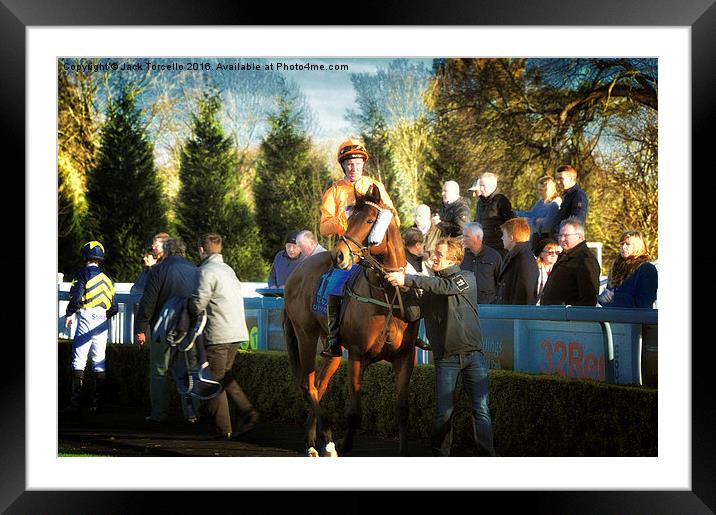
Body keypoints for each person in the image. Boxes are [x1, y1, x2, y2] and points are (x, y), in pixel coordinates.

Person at [385, 237, 495, 457]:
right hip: (445, 358)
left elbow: (445, 286)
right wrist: (403, 289)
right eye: (434, 253)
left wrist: (408, 278)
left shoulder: (467, 278)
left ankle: (488, 457)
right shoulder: (430, 287)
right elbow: (414, 313)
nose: (433, 257)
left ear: (452, 260)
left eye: (439, 255)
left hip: (473, 356)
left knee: (481, 411)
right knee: (444, 414)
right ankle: (439, 458)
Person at [319, 138, 398, 358]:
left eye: (357, 162)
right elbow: (324, 227)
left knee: (409, 276)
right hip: (352, 253)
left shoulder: (376, 187)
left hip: (379, 250)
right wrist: (342, 220)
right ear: (343, 165)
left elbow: (393, 215)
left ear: (364, 163)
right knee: (334, 286)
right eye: (349, 163)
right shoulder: (334, 192)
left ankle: (411, 330)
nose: (354, 167)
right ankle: (334, 337)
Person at [189, 233, 259, 440]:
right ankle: (247, 412)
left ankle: (223, 429)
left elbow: (197, 304)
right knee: (225, 376)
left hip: (218, 334)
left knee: (212, 381)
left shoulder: (206, 271)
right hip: (236, 332)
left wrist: (187, 305)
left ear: (202, 249)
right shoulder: (228, 270)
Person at [135, 237, 200, 424]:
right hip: (188, 329)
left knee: (159, 372)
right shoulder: (196, 270)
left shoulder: (157, 270)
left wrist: (140, 329)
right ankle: (192, 414)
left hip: (161, 330)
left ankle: (159, 414)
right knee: (189, 371)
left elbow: (148, 303)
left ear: (168, 251)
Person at [62, 241, 119, 414]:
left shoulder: (82, 273)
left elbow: (77, 297)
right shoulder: (108, 277)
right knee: (99, 360)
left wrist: (70, 313)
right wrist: (102, 316)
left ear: (85, 256)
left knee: (79, 359)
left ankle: (75, 404)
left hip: (86, 316)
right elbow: (114, 307)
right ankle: (98, 404)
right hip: (102, 318)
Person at [540, 217, 601, 306]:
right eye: (560, 235)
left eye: (566, 235)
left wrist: (573, 316)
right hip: (553, 315)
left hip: (568, 317)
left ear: (580, 236)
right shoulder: (564, 256)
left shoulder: (585, 261)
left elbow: (588, 297)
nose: (561, 239)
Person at [598, 230, 658, 308]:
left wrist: (615, 298)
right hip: (615, 318)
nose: (623, 247)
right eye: (622, 244)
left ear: (637, 246)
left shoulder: (646, 269)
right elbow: (610, 294)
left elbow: (644, 302)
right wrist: (604, 300)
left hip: (636, 319)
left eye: (628, 244)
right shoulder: (615, 266)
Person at [494, 218, 539, 305]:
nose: (502, 238)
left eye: (504, 235)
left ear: (511, 238)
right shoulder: (515, 256)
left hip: (514, 315)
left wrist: (516, 316)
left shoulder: (524, 260)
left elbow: (525, 295)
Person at [514, 176, 562, 253]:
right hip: (534, 238)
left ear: (549, 190)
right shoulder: (540, 202)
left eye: (541, 190)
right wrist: (515, 213)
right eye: (538, 190)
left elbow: (546, 227)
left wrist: (532, 221)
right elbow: (531, 215)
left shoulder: (555, 204)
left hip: (546, 243)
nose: (539, 192)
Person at [474, 172, 515, 258]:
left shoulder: (501, 201)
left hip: (499, 250)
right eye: (480, 185)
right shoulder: (480, 203)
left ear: (493, 186)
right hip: (483, 248)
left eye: (483, 186)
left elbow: (511, 224)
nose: (481, 188)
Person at [460, 222, 502, 304]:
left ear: (478, 237)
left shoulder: (494, 256)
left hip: (488, 305)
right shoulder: (461, 255)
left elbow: (500, 282)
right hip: (465, 304)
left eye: (467, 236)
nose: (463, 239)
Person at [550, 165, 588, 239]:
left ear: (570, 178)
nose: (558, 182)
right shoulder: (568, 195)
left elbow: (576, 223)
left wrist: (558, 234)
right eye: (557, 179)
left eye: (561, 178)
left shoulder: (578, 196)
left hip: (567, 240)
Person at [535, 238, 561, 305]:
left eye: (556, 252)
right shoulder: (535, 270)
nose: (554, 255)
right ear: (541, 254)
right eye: (550, 252)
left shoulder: (559, 271)